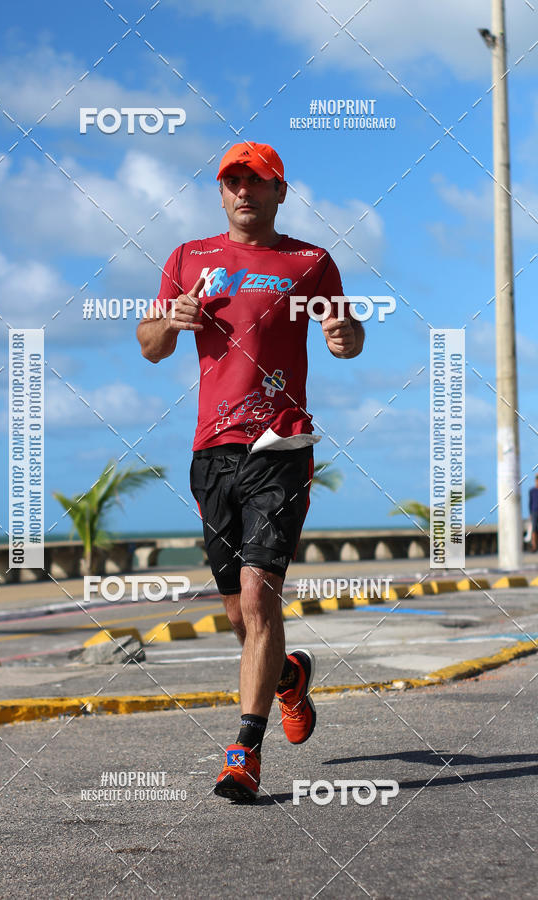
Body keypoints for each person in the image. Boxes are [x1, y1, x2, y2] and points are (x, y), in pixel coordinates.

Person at [137, 141, 365, 802]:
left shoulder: (309, 263)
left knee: (262, 597)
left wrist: (347, 338)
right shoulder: (189, 259)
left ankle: (244, 750)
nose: (244, 191)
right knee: (240, 616)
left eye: (257, 182)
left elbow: (346, 335)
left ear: (279, 192)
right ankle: (288, 679)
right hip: (211, 453)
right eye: (233, 181)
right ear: (221, 192)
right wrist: (170, 322)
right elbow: (150, 347)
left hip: (281, 446)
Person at [529, 475, 538, 551]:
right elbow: (530, 502)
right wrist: (530, 514)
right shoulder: (532, 491)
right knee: (534, 529)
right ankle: (534, 546)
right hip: (534, 512)